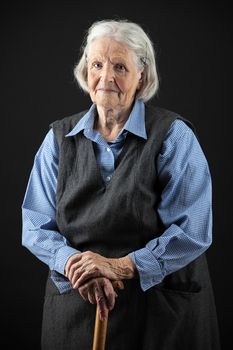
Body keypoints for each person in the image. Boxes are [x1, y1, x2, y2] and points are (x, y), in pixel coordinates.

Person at [22, 19, 221, 350]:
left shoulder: (174, 136)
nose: (106, 77)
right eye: (97, 64)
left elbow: (191, 231)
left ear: (141, 75)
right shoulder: (58, 139)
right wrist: (78, 267)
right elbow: (34, 225)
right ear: (86, 70)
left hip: (160, 313)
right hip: (78, 309)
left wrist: (118, 267)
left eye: (120, 67)